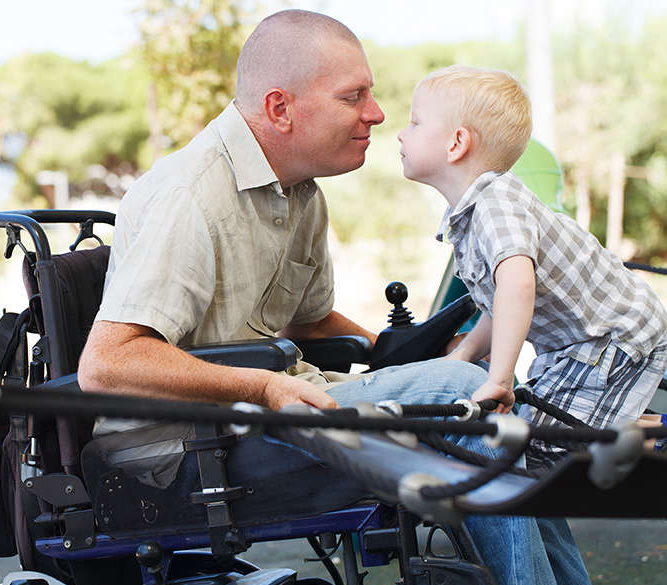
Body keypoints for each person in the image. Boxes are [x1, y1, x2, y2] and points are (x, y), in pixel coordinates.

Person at [78, 11, 566, 585]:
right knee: (466, 396)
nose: (377, 115)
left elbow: (310, 322)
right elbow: (107, 364)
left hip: (278, 413)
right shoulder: (190, 195)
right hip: (184, 453)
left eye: (373, 95)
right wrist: (261, 384)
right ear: (280, 109)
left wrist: (396, 351)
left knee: (511, 420)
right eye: (353, 96)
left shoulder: (301, 190)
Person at [397, 64, 667, 584]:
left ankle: (656, 438)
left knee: (543, 446)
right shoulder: (472, 212)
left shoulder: (497, 202)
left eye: (414, 122)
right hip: (577, 345)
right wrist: (461, 359)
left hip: (613, 336)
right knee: (536, 441)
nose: (402, 134)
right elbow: (498, 300)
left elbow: (517, 285)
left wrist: (499, 379)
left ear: (456, 143)